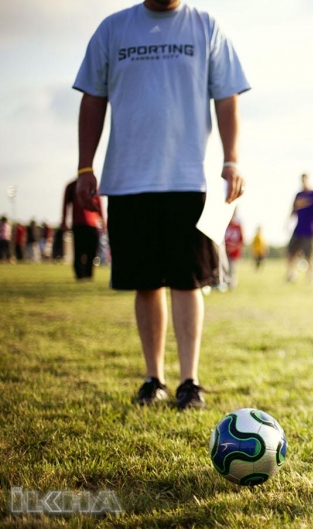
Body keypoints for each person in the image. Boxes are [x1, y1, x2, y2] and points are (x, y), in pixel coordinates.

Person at [73, 0, 249, 409]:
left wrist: (232, 159)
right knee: (146, 281)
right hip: (130, 179)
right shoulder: (113, 29)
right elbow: (93, 99)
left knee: (189, 281)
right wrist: (85, 166)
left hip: (192, 178)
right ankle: (154, 379)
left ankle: (190, 381)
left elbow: (227, 97)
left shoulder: (206, 26)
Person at [62, 177, 104, 280]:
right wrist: (64, 220)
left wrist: (102, 218)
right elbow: (65, 204)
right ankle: (80, 275)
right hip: (78, 223)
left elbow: (98, 202)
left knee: (92, 251)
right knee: (79, 251)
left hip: (92, 224)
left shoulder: (93, 186)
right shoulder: (72, 186)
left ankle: (89, 274)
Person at [286, 173, 313, 283]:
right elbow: (293, 210)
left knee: (311, 256)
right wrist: (288, 223)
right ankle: (292, 275)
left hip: (312, 231)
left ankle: (310, 278)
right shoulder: (299, 195)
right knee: (291, 252)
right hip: (299, 229)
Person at [223, 213, 244, 290]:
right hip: (225, 251)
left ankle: (232, 285)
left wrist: (233, 248)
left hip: (234, 252)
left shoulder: (238, 227)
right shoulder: (225, 226)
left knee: (232, 269)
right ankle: (225, 284)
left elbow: (241, 241)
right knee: (225, 268)